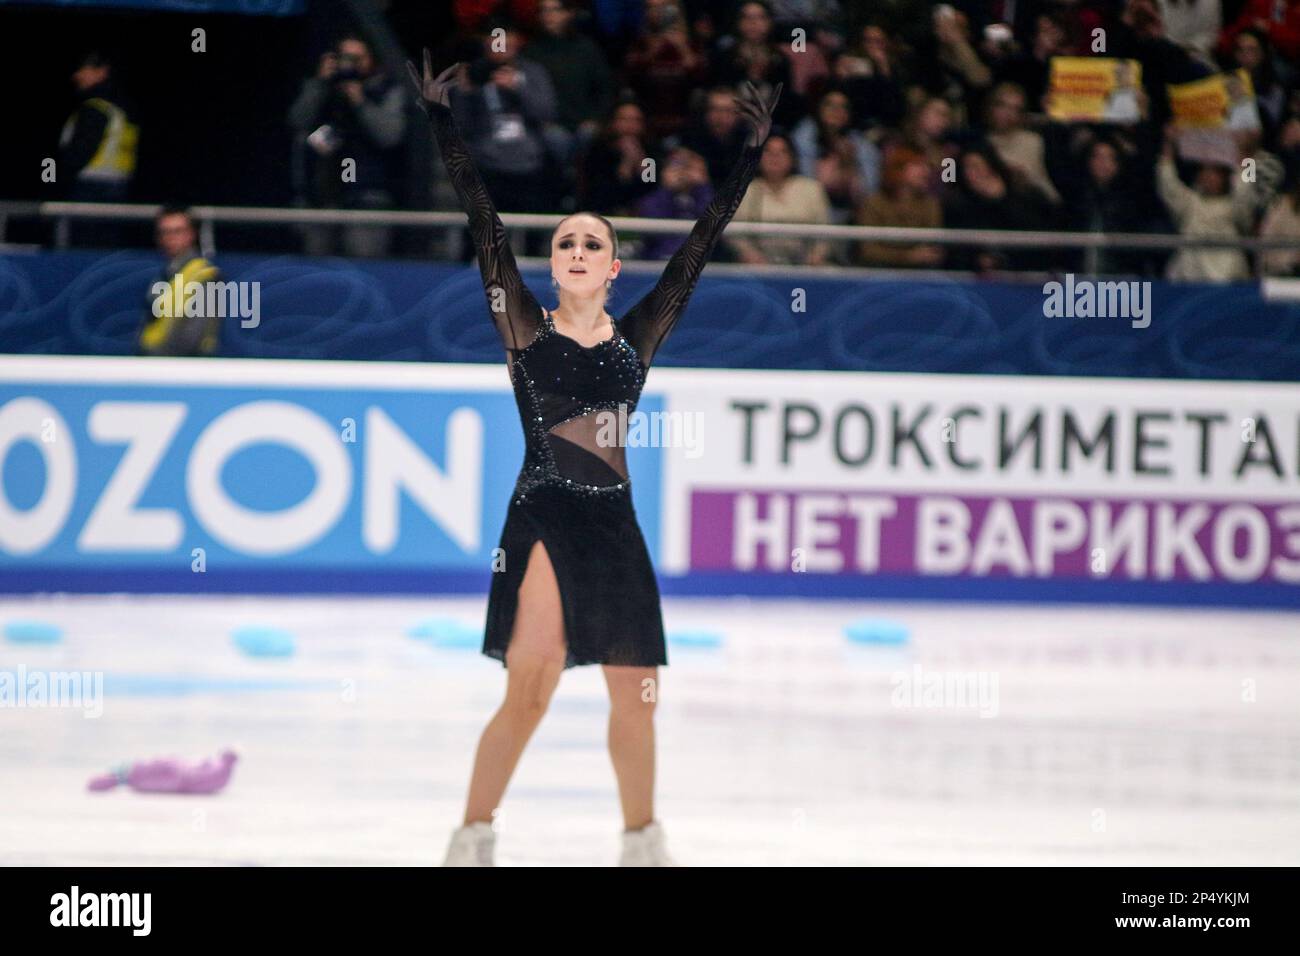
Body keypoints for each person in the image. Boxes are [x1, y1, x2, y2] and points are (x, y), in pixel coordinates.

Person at [407, 49, 778, 867]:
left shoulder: (639, 335)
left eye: (592, 244)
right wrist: (443, 120)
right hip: (541, 515)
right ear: (553, 263)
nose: (576, 249)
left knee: (637, 692)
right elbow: (483, 223)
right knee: (531, 689)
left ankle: (642, 840)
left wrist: (749, 158)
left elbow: (700, 248)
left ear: (612, 267)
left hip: (614, 523)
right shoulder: (524, 330)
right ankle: (474, 833)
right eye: (566, 241)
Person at [288, 33, 408, 258]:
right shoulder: (322, 89)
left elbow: (389, 136)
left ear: (371, 60)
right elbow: (297, 121)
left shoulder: (386, 91)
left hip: (368, 197)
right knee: (317, 269)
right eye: (344, 58)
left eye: (357, 58)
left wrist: (360, 101)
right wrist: (320, 84)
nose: (350, 65)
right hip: (322, 196)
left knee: (363, 266)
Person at [137, 207, 223, 357]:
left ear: (191, 234)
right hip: (156, 366)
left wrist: (156, 359)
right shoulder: (166, 273)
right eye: (164, 232)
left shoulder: (205, 275)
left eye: (177, 231)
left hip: (185, 370)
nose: (170, 238)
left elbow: (192, 337)